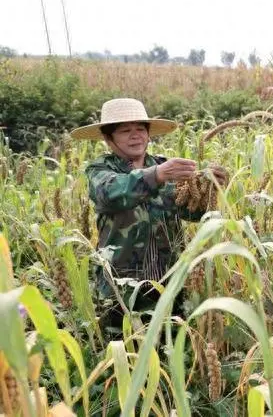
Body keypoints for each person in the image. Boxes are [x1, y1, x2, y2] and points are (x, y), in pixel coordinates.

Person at [71, 98, 228, 337]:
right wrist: (157, 175)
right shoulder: (100, 170)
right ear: (108, 138)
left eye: (140, 129)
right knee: (124, 350)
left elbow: (191, 212)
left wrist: (209, 186)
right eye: (125, 130)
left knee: (169, 348)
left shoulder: (166, 166)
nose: (135, 136)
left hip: (169, 281)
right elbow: (110, 194)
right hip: (122, 288)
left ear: (148, 134)